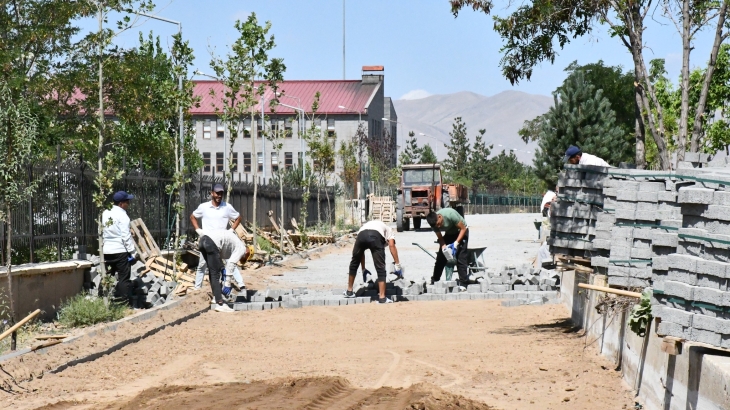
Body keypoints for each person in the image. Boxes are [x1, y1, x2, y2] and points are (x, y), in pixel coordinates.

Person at [190, 184, 245, 291]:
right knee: (202, 265)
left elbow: (238, 217)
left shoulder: (227, 207)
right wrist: (198, 230)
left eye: (221, 193)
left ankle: (241, 285)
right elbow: (192, 217)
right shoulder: (204, 207)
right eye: (217, 193)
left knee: (230, 262)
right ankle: (197, 290)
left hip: (223, 242)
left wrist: (231, 230)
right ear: (211, 193)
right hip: (208, 242)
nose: (219, 196)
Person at [344, 220, 402, 304]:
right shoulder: (390, 231)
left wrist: (363, 269)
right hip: (376, 236)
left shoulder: (369, 225)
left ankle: (349, 291)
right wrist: (397, 264)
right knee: (380, 267)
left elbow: (361, 254)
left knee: (354, 263)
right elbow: (392, 245)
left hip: (361, 235)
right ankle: (382, 297)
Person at [195, 228, 250, 312]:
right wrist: (227, 283)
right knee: (215, 274)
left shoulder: (234, 243)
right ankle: (220, 304)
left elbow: (218, 254)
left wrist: (222, 268)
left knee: (212, 271)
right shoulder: (242, 249)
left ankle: (216, 297)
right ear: (247, 254)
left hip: (203, 241)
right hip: (211, 243)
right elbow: (231, 264)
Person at [102, 191, 137, 306]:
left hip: (107, 250)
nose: (129, 204)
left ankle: (102, 301)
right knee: (123, 278)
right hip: (120, 251)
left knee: (107, 276)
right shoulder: (123, 215)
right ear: (121, 203)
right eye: (127, 202)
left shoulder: (105, 212)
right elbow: (125, 236)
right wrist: (133, 251)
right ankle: (123, 304)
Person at [426, 208, 469, 291]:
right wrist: (443, 247)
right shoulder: (434, 224)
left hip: (462, 231)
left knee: (461, 256)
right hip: (450, 233)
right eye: (437, 226)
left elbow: (463, 228)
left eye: (439, 224)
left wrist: (456, 243)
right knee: (441, 257)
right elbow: (440, 238)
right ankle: (435, 280)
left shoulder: (450, 215)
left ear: (439, 217)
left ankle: (463, 283)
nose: (439, 226)